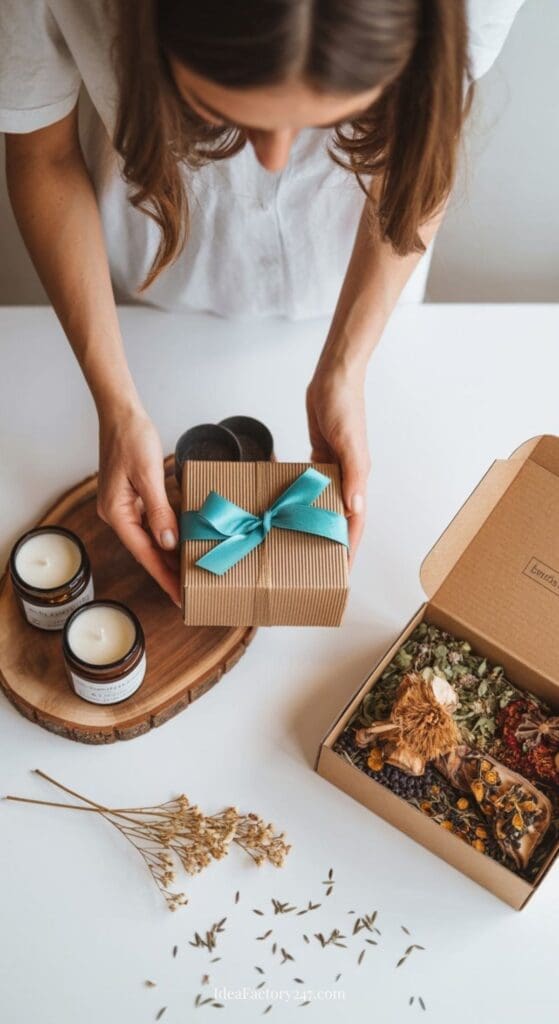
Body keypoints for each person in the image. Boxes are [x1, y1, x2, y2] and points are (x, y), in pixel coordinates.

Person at [1, 0, 524, 607]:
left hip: (364, 275)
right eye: (219, 112)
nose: (273, 160)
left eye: (334, 119)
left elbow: (430, 131)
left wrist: (347, 366)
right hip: (155, 284)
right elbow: (43, 153)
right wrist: (115, 402)